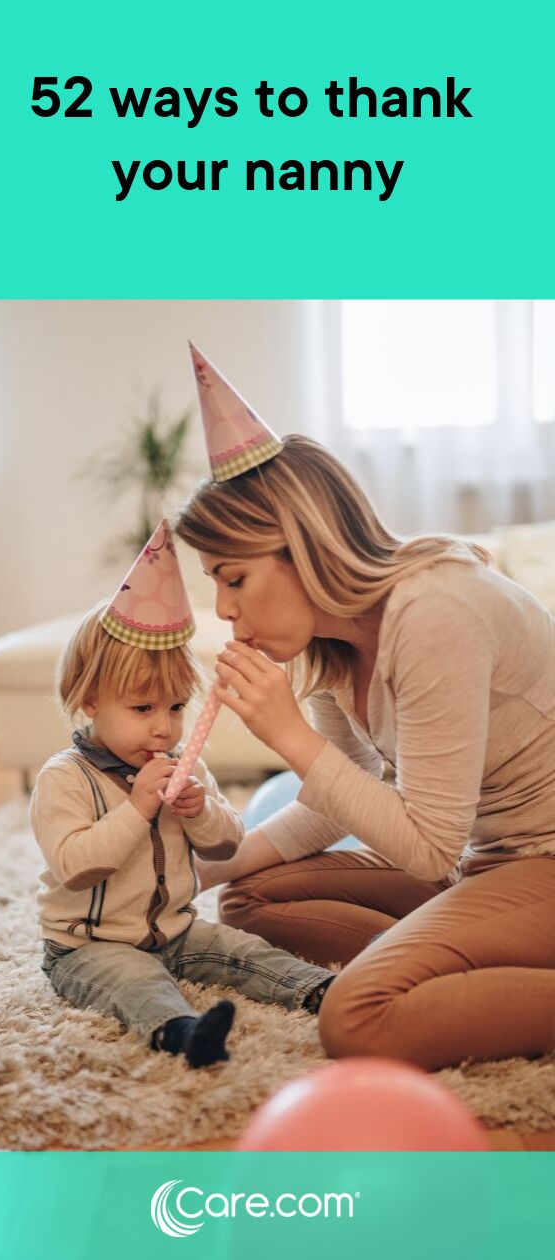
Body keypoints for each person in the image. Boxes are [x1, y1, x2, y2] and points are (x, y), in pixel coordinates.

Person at [174, 344, 555, 1071]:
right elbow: (334, 803)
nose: (223, 610)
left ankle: (441, 975)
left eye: (235, 579)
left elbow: (428, 847)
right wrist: (193, 877)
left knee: (358, 1016)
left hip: (541, 860)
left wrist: (289, 737)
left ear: (303, 546)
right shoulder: (333, 641)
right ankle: (456, 967)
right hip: (488, 862)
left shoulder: (436, 611)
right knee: (247, 900)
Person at [30, 520, 335, 1069]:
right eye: (143, 709)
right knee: (136, 982)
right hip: (90, 945)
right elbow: (77, 866)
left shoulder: (179, 767)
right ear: (92, 701)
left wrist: (199, 812)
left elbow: (226, 846)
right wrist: (139, 807)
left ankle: (324, 991)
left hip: (176, 928)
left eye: (174, 708)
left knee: (243, 952)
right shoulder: (64, 779)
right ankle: (183, 1033)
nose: (163, 729)